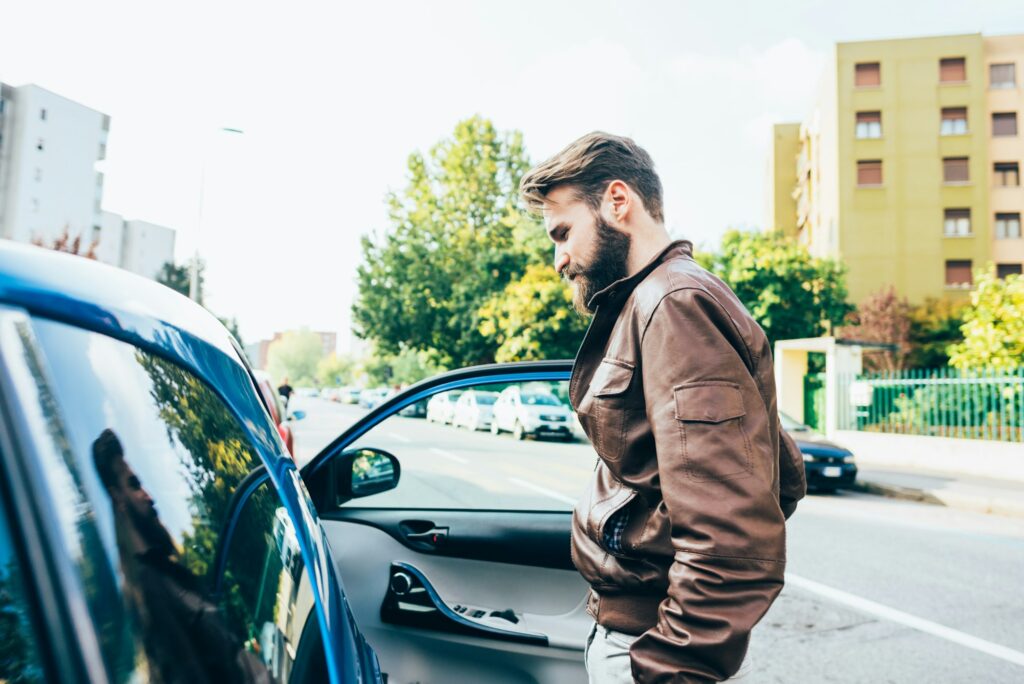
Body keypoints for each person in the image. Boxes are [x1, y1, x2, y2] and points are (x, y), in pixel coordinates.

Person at [520, 133, 807, 683]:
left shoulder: (673, 305)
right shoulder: (656, 301)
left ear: (617, 203)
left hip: (647, 649)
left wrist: (667, 667)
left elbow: (733, 541)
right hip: (635, 635)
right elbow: (780, 472)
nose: (558, 260)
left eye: (563, 233)